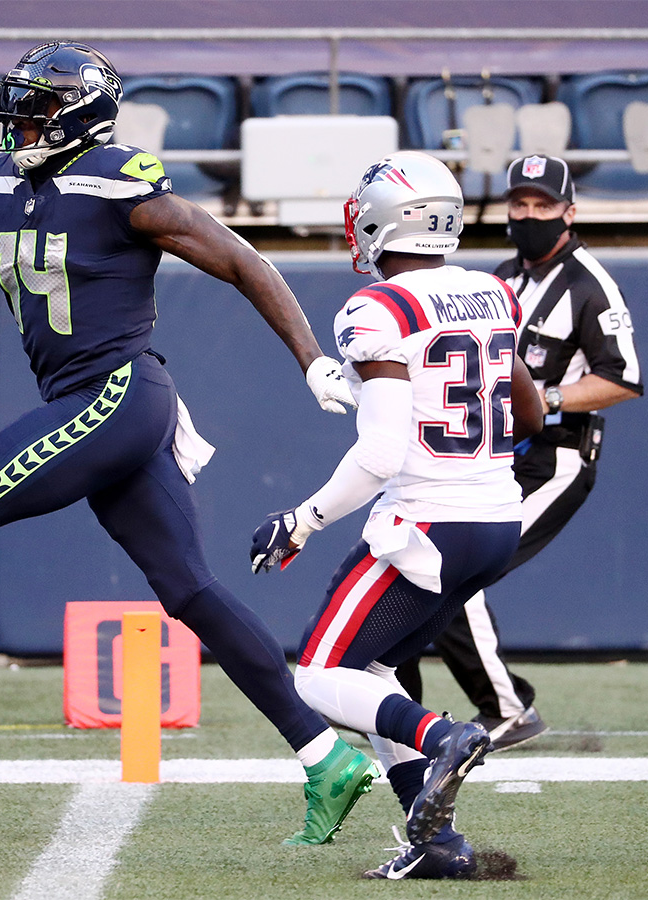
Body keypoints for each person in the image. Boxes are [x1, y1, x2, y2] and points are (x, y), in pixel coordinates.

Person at [0, 41, 377, 844]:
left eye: (34, 107)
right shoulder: (1, 185)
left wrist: (311, 360)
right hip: (93, 402)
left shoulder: (119, 183)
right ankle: (326, 759)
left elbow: (242, 262)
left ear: (76, 116)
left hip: (116, 394)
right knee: (190, 590)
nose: (18, 121)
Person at [249, 150, 545, 879]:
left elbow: (381, 452)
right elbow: (531, 409)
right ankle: (438, 845)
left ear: (385, 220)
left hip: (427, 523)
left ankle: (444, 735)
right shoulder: (492, 292)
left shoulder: (378, 308)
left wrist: (303, 519)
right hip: (496, 519)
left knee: (317, 676)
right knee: (374, 670)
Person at [395, 154, 643, 750]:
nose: (529, 215)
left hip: (556, 456)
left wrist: (543, 396)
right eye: (520, 203)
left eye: (543, 205)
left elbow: (624, 377)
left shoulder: (589, 285)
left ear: (569, 212)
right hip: (495, 455)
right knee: (423, 562)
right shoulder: (501, 276)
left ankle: (506, 709)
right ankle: (396, 702)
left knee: (455, 571)